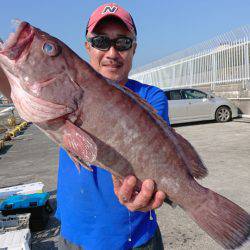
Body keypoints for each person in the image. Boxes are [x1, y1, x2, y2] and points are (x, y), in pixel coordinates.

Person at [0, 3, 170, 250]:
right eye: (101, 41)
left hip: (137, 239)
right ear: (87, 47)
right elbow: (12, 81)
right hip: (74, 237)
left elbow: (158, 165)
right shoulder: (57, 93)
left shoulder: (151, 98)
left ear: (134, 48)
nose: (112, 52)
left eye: (122, 43)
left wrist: (147, 195)